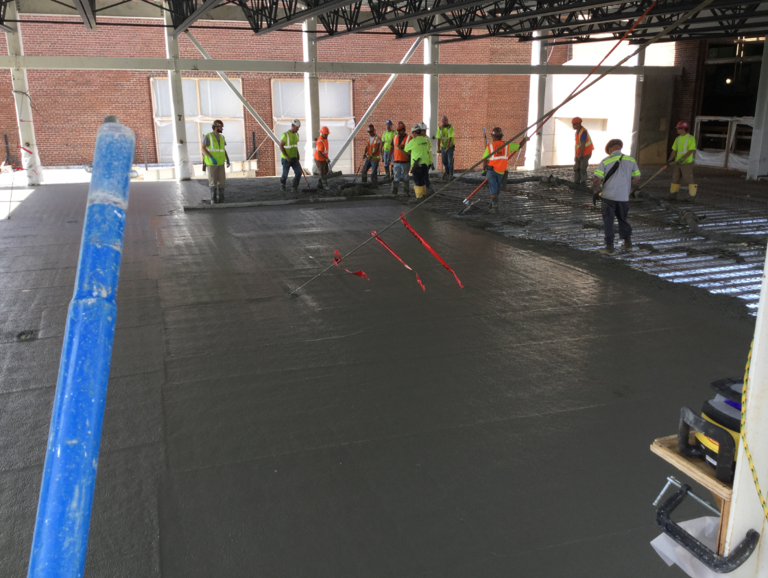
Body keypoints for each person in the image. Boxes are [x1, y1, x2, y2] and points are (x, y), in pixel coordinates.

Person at [592, 139, 641, 255]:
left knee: (608, 222)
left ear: (610, 149)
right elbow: (637, 178)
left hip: (609, 196)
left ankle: (609, 248)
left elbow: (597, 179)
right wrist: (625, 182)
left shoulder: (605, 161)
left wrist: (595, 191)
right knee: (623, 220)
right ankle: (628, 244)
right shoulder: (631, 160)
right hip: (623, 197)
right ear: (620, 147)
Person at [481, 127, 527, 214]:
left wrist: (483, 171)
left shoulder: (490, 147)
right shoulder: (507, 145)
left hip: (491, 171)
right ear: (501, 136)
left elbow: (485, 160)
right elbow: (519, 146)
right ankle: (493, 204)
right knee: (498, 188)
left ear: (493, 137)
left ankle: (494, 207)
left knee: (493, 187)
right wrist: (525, 139)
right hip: (501, 171)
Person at [201, 119, 231, 204]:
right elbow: (203, 148)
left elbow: (223, 149)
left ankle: (221, 199)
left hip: (221, 163)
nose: (222, 129)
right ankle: (213, 200)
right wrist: (210, 157)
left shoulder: (222, 137)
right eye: (221, 127)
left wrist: (227, 158)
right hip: (211, 163)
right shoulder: (208, 136)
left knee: (222, 182)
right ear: (216, 127)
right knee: (213, 182)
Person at [668, 121, 698, 202]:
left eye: (678, 128)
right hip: (678, 163)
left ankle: (691, 197)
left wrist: (683, 159)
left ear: (683, 129)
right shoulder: (677, 139)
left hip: (687, 163)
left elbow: (691, 150)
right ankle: (672, 195)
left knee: (688, 179)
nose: (677, 130)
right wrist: (670, 159)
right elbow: (674, 150)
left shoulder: (690, 138)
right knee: (675, 178)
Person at [404, 122, 432, 201]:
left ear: (415, 132)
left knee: (418, 181)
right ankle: (424, 196)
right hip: (425, 165)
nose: (412, 134)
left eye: (413, 133)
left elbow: (406, 149)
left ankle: (419, 198)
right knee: (423, 181)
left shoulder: (413, 141)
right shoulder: (425, 140)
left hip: (417, 165)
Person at [279, 119, 302, 193]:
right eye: (297, 127)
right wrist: (287, 156)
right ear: (292, 126)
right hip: (286, 159)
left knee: (298, 172)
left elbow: (295, 146)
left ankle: (294, 186)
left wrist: (297, 155)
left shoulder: (297, 135)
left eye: (298, 127)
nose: (298, 129)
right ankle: (283, 184)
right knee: (285, 174)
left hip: (294, 158)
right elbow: (281, 146)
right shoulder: (285, 135)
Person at [391, 121, 411, 196]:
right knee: (396, 176)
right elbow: (392, 148)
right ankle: (394, 191)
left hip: (405, 161)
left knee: (405, 176)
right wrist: (388, 157)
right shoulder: (394, 137)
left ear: (404, 129)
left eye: (400, 130)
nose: (399, 132)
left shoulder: (409, 138)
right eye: (398, 130)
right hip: (396, 161)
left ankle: (406, 191)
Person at [572, 116, 594, 185]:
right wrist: (576, 155)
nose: (573, 126)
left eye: (574, 124)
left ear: (579, 124)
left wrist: (581, 154)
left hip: (585, 152)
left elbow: (583, 144)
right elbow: (577, 145)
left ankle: (583, 183)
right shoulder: (577, 132)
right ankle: (577, 182)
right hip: (580, 152)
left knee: (583, 168)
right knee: (577, 167)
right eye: (573, 124)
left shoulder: (583, 132)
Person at [437, 115, 455, 180]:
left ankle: (450, 174)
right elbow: (438, 138)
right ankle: (447, 172)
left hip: (450, 146)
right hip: (443, 146)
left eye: (444, 122)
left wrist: (447, 147)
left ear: (447, 121)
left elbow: (450, 138)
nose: (443, 123)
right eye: (443, 122)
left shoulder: (451, 127)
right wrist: (438, 148)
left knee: (450, 160)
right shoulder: (440, 128)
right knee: (444, 161)